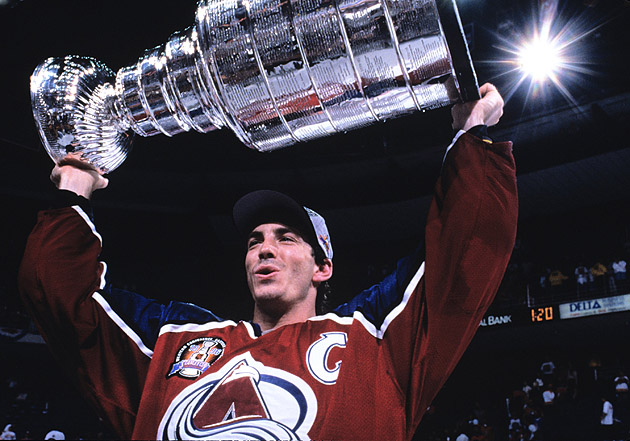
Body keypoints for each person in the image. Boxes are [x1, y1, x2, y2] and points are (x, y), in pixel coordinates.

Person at [18, 84, 517, 440]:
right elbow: (63, 301)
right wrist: (73, 190)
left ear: (323, 267)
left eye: (287, 238)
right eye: (255, 240)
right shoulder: (173, 341)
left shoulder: (375, 339)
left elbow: (464, 254)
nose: (264, 248)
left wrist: (471, 136)